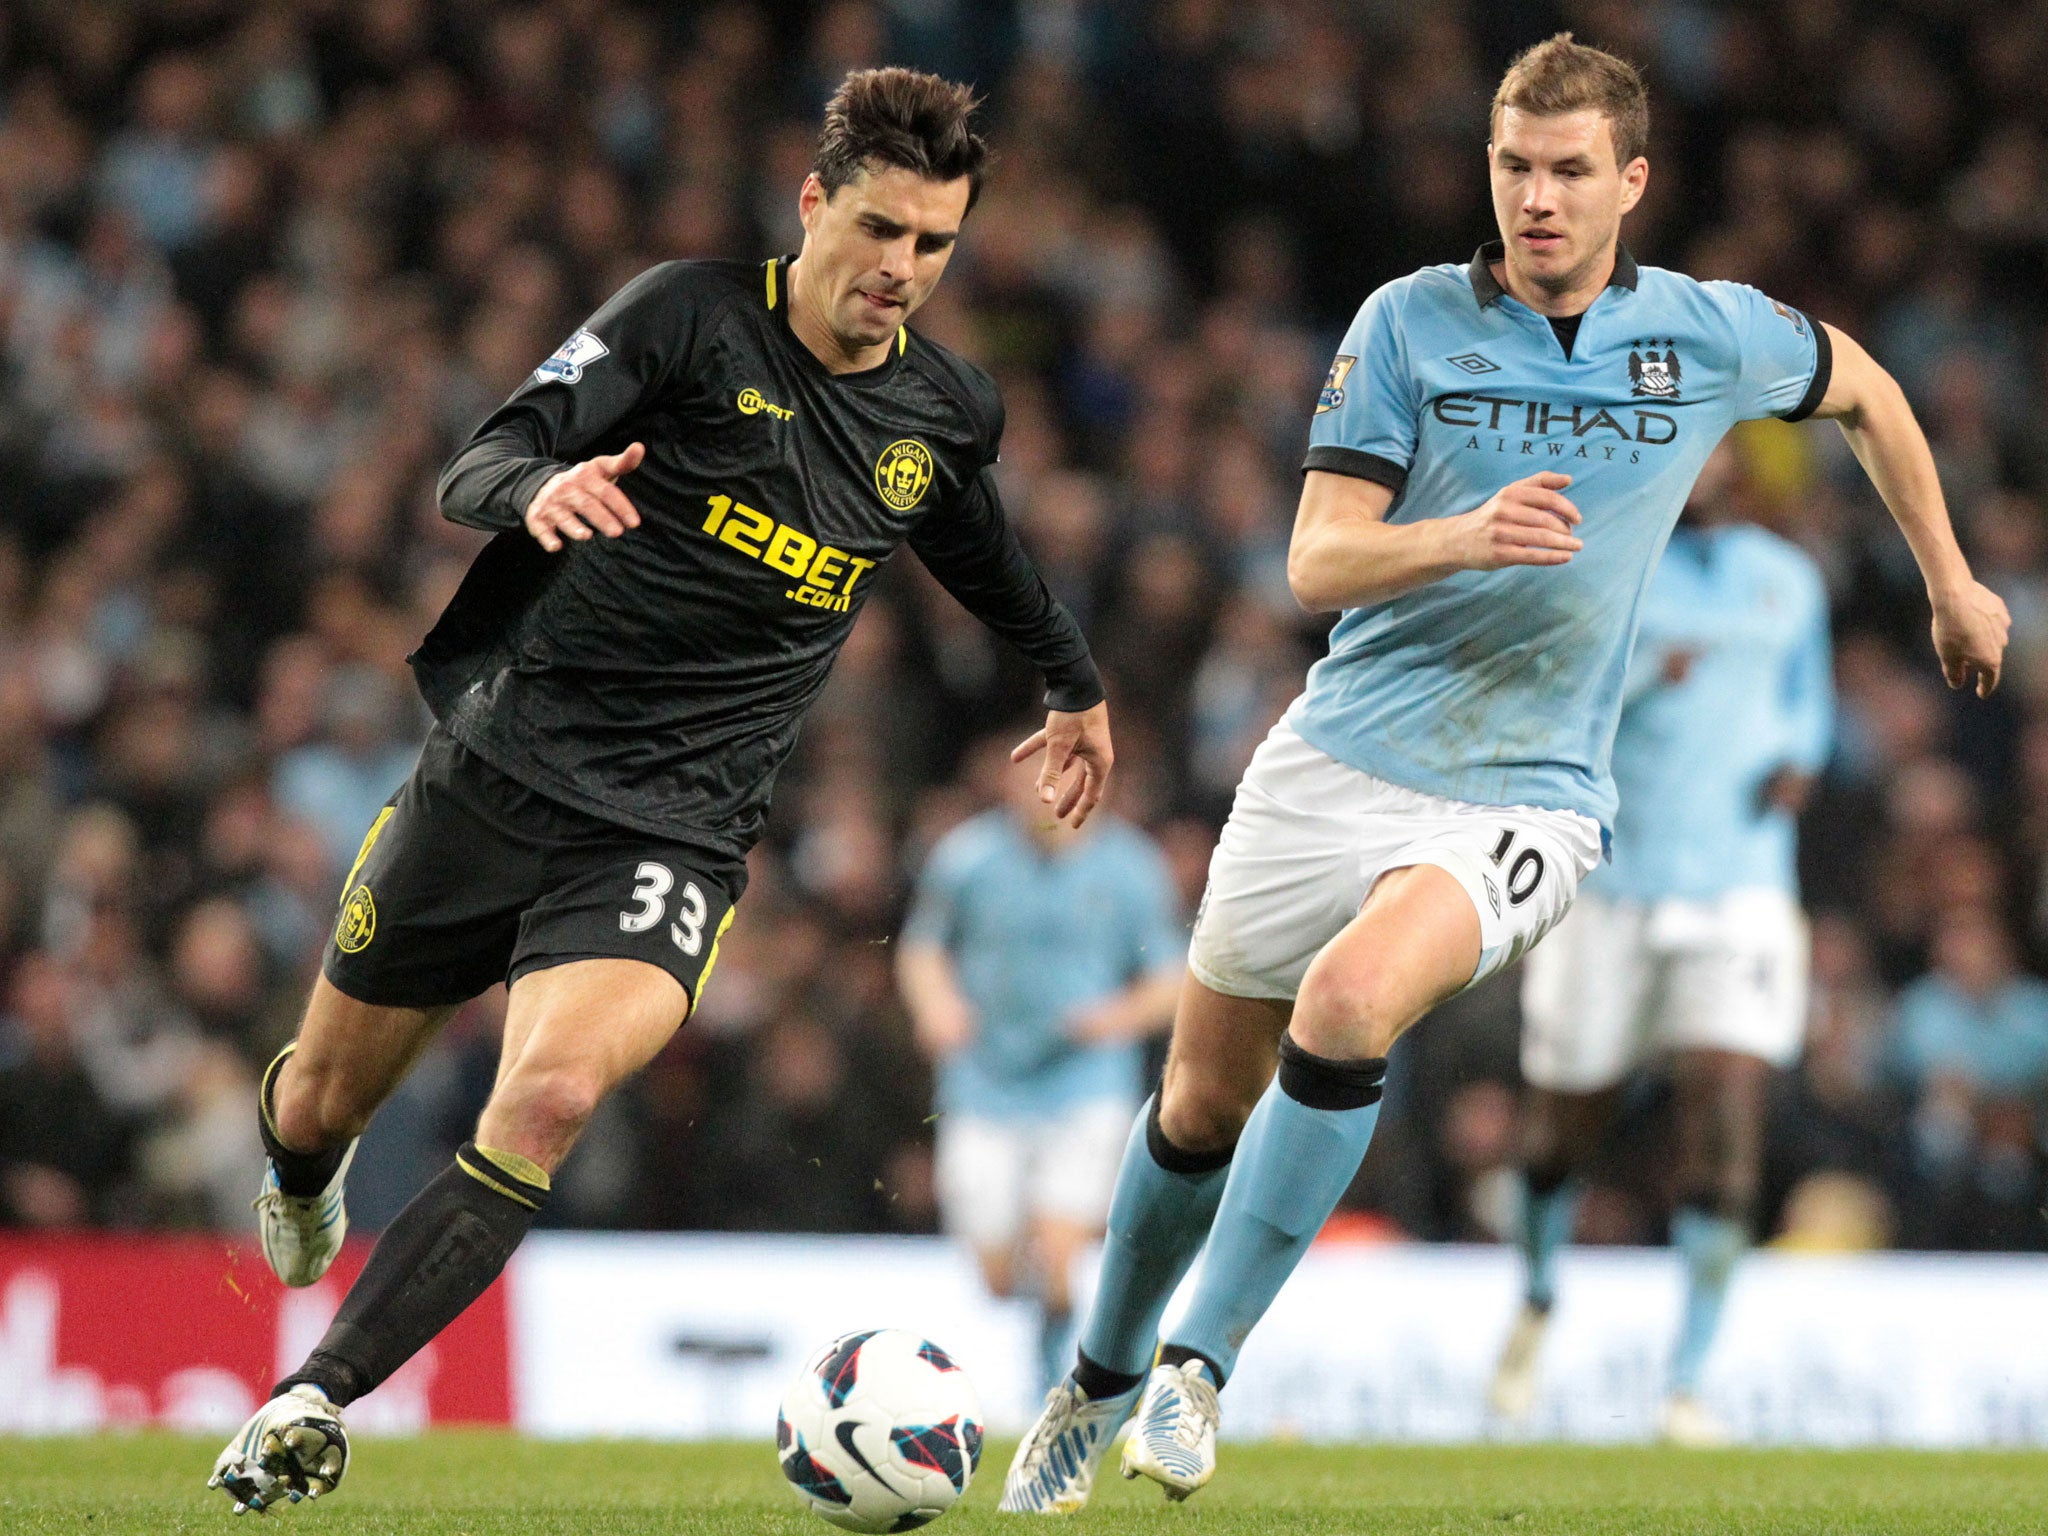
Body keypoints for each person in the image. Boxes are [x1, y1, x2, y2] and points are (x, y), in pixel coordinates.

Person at [1000, 32, 2008, 1513]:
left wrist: (1950, 579)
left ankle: (1196, 1369)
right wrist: (1459, 536)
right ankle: (1093, 1377)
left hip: (1529, 791)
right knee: (1200, 1103)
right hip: (1338, 756)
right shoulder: (1408, 324)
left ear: (1632, 181)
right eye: (1515, 167)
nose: (1538, 198)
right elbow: (1314, 558)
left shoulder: (1707, 334)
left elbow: (1865, 389)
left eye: (1569, 171)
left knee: (1348, 1008)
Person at [208, 68, 1114, 1515]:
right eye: (879, 228)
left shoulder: (945, 409)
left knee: (551, 1092)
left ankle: (312, 1397)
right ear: (813, 203)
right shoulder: (687, 316)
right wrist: (538, 495)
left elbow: (974, 541)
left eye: (935, 245)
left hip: (675, 830)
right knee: (316, 1101)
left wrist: (1070, 680)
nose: (902, 270)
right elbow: (482, 457)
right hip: (498, 775)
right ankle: (305, 1171)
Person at [1486, 442, 1834, 1446]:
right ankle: (1539, 1289)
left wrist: (1797, 762)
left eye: (1720, 447)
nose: (1705, 463)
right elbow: (1546, 705)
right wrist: (1642, 677)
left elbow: (1805, 705)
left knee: (1726, 1105)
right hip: (1613, 887)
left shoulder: (1787, 580)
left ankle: (1686, 1381)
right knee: (1561, 1128)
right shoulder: (1601, 571)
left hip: (1741, 887)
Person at [898, 733, 1182, 1397]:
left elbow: (1172, 978)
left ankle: (1056, 1380)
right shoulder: (967, 858)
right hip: (984, 1079)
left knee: (1058, 1257)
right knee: (996, 1273)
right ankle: (1047, 1335)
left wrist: (1114, 1017)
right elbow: (922, 950)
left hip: (1083, 1080)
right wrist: (936, 1006)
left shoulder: (1131, 867)